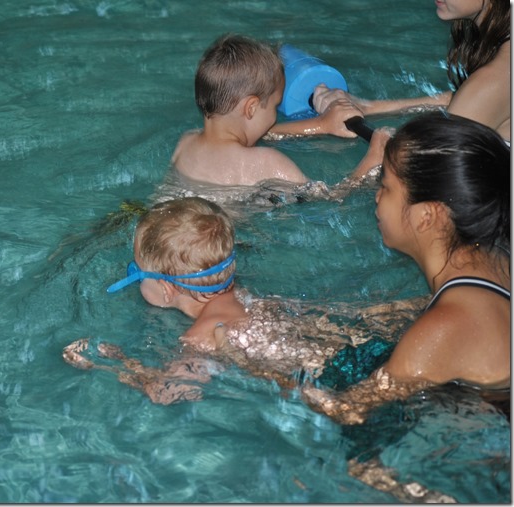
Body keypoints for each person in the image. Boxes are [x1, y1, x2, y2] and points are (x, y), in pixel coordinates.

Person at [62, 196, 425, 405]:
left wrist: (111, 362)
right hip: (357, 345)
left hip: (337, 382)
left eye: (135, 270)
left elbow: (169, 392)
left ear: (167, 288)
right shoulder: (244, 298)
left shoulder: (202, 335)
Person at [302, 112, 511, 424]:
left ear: (426, 216)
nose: (376, 197)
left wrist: (261, 370)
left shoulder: (442, 329)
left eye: (385, 186)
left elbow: (346, 410)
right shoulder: (497, 258)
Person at [275, 0, 511, 141]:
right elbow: (458, 99)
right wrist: (368, 106)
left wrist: (322, 126)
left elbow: (423, 176)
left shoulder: (492, 81)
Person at [171, 34, 383, 186]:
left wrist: (322, 125)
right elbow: (330, 203)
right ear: (251, 108)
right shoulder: (267, 163)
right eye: (274, 105)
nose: (273, 117)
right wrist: (372, 162)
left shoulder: (185, 143)